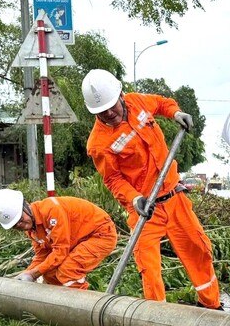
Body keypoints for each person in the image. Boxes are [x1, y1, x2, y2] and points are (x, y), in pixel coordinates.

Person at [81, 69, 222, 310]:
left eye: (112, 106)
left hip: (174, 199)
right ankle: (156, 320)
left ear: (121, 95)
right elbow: (113, 179)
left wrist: (175, 112)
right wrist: (134, 198)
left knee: (198, 250)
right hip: (145, 208)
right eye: (101, 111)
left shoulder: (137, 102)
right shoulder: (99, 144)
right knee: (149, 268)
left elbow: (161, 103)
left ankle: (211, 306)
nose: (109, 113)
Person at [0, 189, 117, 289]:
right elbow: (42, 256)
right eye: (15, 225)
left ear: (26, 205)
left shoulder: (51, 211)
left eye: (20, 219)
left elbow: (60, 251)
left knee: (68, 270)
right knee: (49, 273)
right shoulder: (31, 228)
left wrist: (33, 274)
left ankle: (82, 312)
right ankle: (57, 311)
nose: (20, 225)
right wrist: (26, 273)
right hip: (78, 238)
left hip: (100, 234)